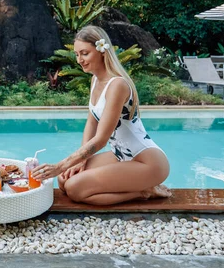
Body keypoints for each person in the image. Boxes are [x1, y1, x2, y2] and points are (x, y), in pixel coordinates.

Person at [32, 26, 171, 205]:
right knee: (64, 181)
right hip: (121, 156)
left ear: (102, 52)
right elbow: (91, 124)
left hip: (147, 162)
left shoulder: (117, 85)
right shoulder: (95, 80)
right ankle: (140, 188)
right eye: (76, 54)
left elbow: (101, 139)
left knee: (75, 188)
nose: (79, 60)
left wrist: (59, 166)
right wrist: (80, 161)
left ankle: (144, 191)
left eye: (85, 53)